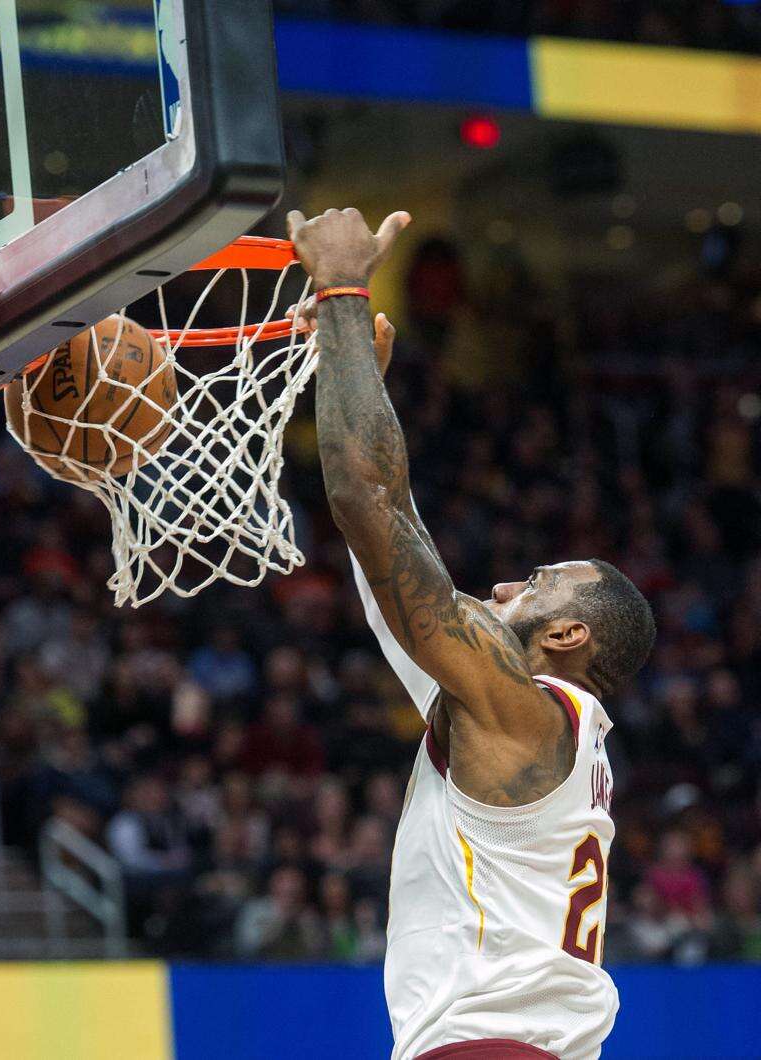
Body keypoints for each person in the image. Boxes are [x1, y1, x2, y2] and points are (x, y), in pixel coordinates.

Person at [286, 207, 656, 1060]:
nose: (501, 584)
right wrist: (352, 374)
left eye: (534, 583)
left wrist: (343, 290)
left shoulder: (519, 711)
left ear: (566, 633)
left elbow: (367, 505)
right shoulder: (515, 716)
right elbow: (395, 574)